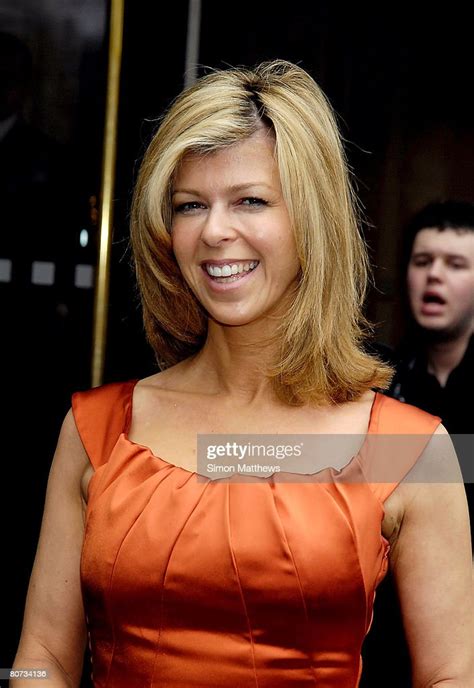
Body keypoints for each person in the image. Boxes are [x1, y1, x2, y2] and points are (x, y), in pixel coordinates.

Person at [12, 61, 472, 687]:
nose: (215, 231)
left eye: (250, 200)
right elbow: (42, 656)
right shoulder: (96, 430)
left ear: (311, 221)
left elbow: (449, 676)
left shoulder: (412, 449)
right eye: (189, 205)